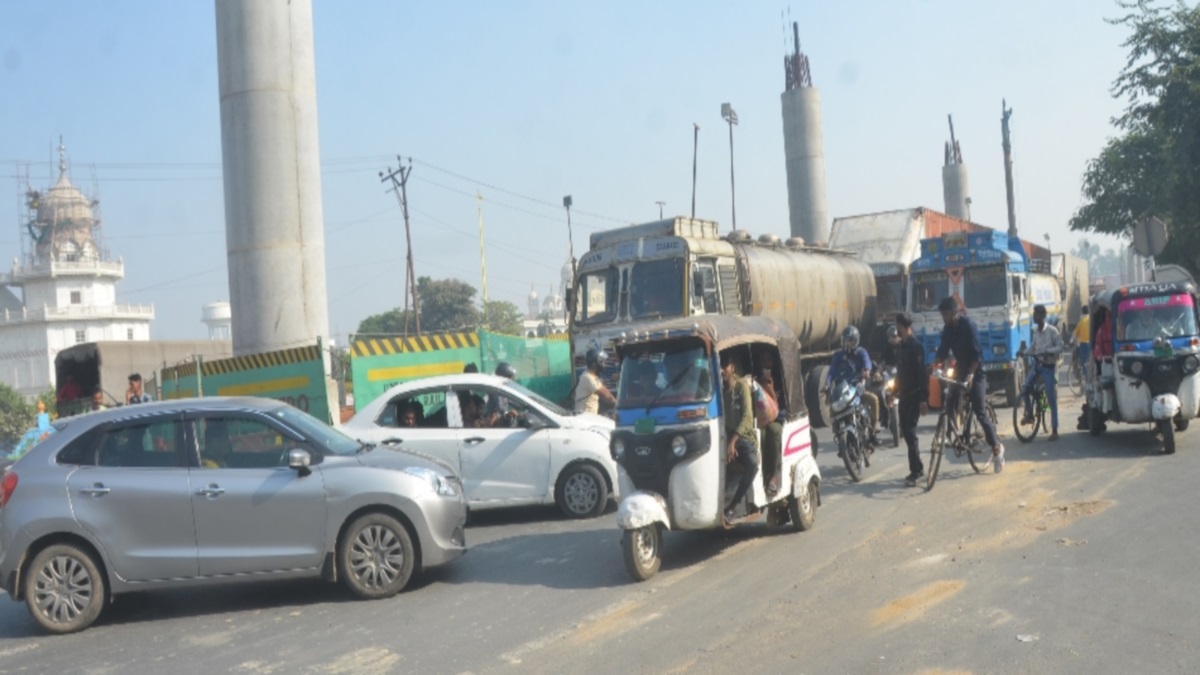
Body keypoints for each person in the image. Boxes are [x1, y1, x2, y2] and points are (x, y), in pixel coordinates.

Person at [933, 296, 1004, 472]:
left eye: (945, 314)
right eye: (942, 315)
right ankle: (952, 433)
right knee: (950, 398)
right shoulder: (947, 330)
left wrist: (971, 375)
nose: (943, 318)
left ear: (954, 313)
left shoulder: (968, 325)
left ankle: (996, 449)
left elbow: (977, 354)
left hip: (976, 370)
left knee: (979, 410)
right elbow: (943, 349)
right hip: (961, 369)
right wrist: (935, 364)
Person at [824, 326, 880, 446]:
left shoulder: (861, 352)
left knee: (874, 400)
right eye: (847, 340)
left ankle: (872, 432)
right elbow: (832, 371)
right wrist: (827, 384)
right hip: (841, 391)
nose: (849, 343)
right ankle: (838, 435)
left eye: (852, 340)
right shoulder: (838, 355)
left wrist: (867, 370)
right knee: (832, 409)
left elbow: (867, 362)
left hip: (857, 389)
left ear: (857, 340)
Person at [721, 352, 758, 527]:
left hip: (744, 437)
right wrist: (727, 441)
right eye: (720, 367)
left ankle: (733, 507)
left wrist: (733, 441)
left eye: (725, 366)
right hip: (726, 438)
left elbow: (747, 418)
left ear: (732, 368)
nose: (722, 370)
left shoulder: (741, 387)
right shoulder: (719, 392)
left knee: (752, 464)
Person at [894, 314, 929, 487]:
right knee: (906, 433)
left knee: (910, 432)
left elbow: (922, 375)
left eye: (897, 327)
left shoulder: (916, 346)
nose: (897, 331)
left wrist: (923, 399)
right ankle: (918, 467)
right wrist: (893, 393)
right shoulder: (902, 347)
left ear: (902, 326)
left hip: (914, 396)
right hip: (903, 396)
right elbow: (900, 374)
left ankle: (915, 472)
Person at [1021, 304, 1063, 440]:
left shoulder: (1052, 331)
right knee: (1025, 388)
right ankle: (1029, 414)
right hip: (1037, 365)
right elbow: (1033, 348)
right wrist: (1023, 353)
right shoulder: (1035, 332)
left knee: (1051, 398)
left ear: (1043, 316)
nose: (1034, 317)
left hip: (1048, 368)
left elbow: (1060, 346)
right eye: (1034, 314)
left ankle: (1054, 430)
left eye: (1037, 315)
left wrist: (1048, 352)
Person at [574, 348, 616, 415]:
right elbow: (605, 396)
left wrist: (618, 401)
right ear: (594, 364)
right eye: (601, 362)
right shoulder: (587, 377)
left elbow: (605, 391)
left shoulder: (593, 376)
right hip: (585, 417)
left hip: (590, 416)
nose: (604, 364)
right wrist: (617, 404)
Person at [1073, 305, 1091, 378]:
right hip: (1092, 343)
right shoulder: (1091, 320)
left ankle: (1087, 377)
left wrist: (1072, 341)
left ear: (1082, 312)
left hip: (1083, 344)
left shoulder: (1081, 321)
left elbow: (1075, 334)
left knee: (1083, 361)